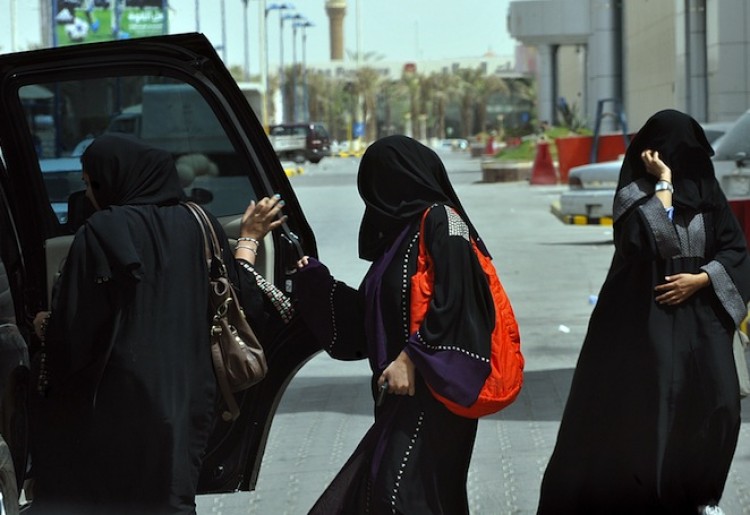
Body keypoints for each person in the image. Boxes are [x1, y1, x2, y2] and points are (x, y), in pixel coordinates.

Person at [27, 133, 286, 515]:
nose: (90, 194)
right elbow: (243, 299)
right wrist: (247, 242)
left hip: (119, 404)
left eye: (88, 184)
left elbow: (75, 331)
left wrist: (43, 327)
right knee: (173, 500)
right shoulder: (202, 223)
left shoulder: (101, 232)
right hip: (191, 397)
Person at [537, 109, 750, 514]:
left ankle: (697, 496)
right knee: (652, 412)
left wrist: (701, 279)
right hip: (643, 322)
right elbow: (653, 242)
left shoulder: (709, 195)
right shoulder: (633, 196)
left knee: (719, 406)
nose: (682, 159)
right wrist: (664, 184)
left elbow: (735, 251)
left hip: (702, 320)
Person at [294, 135, 502, 514]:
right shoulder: (400, 239)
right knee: (397, 496)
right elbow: (369, 319)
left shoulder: (444, 220)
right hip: (401, 398)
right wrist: (316, 283)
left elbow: (460, 301)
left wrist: (410, 357)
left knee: (397, 497)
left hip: (436, 392)